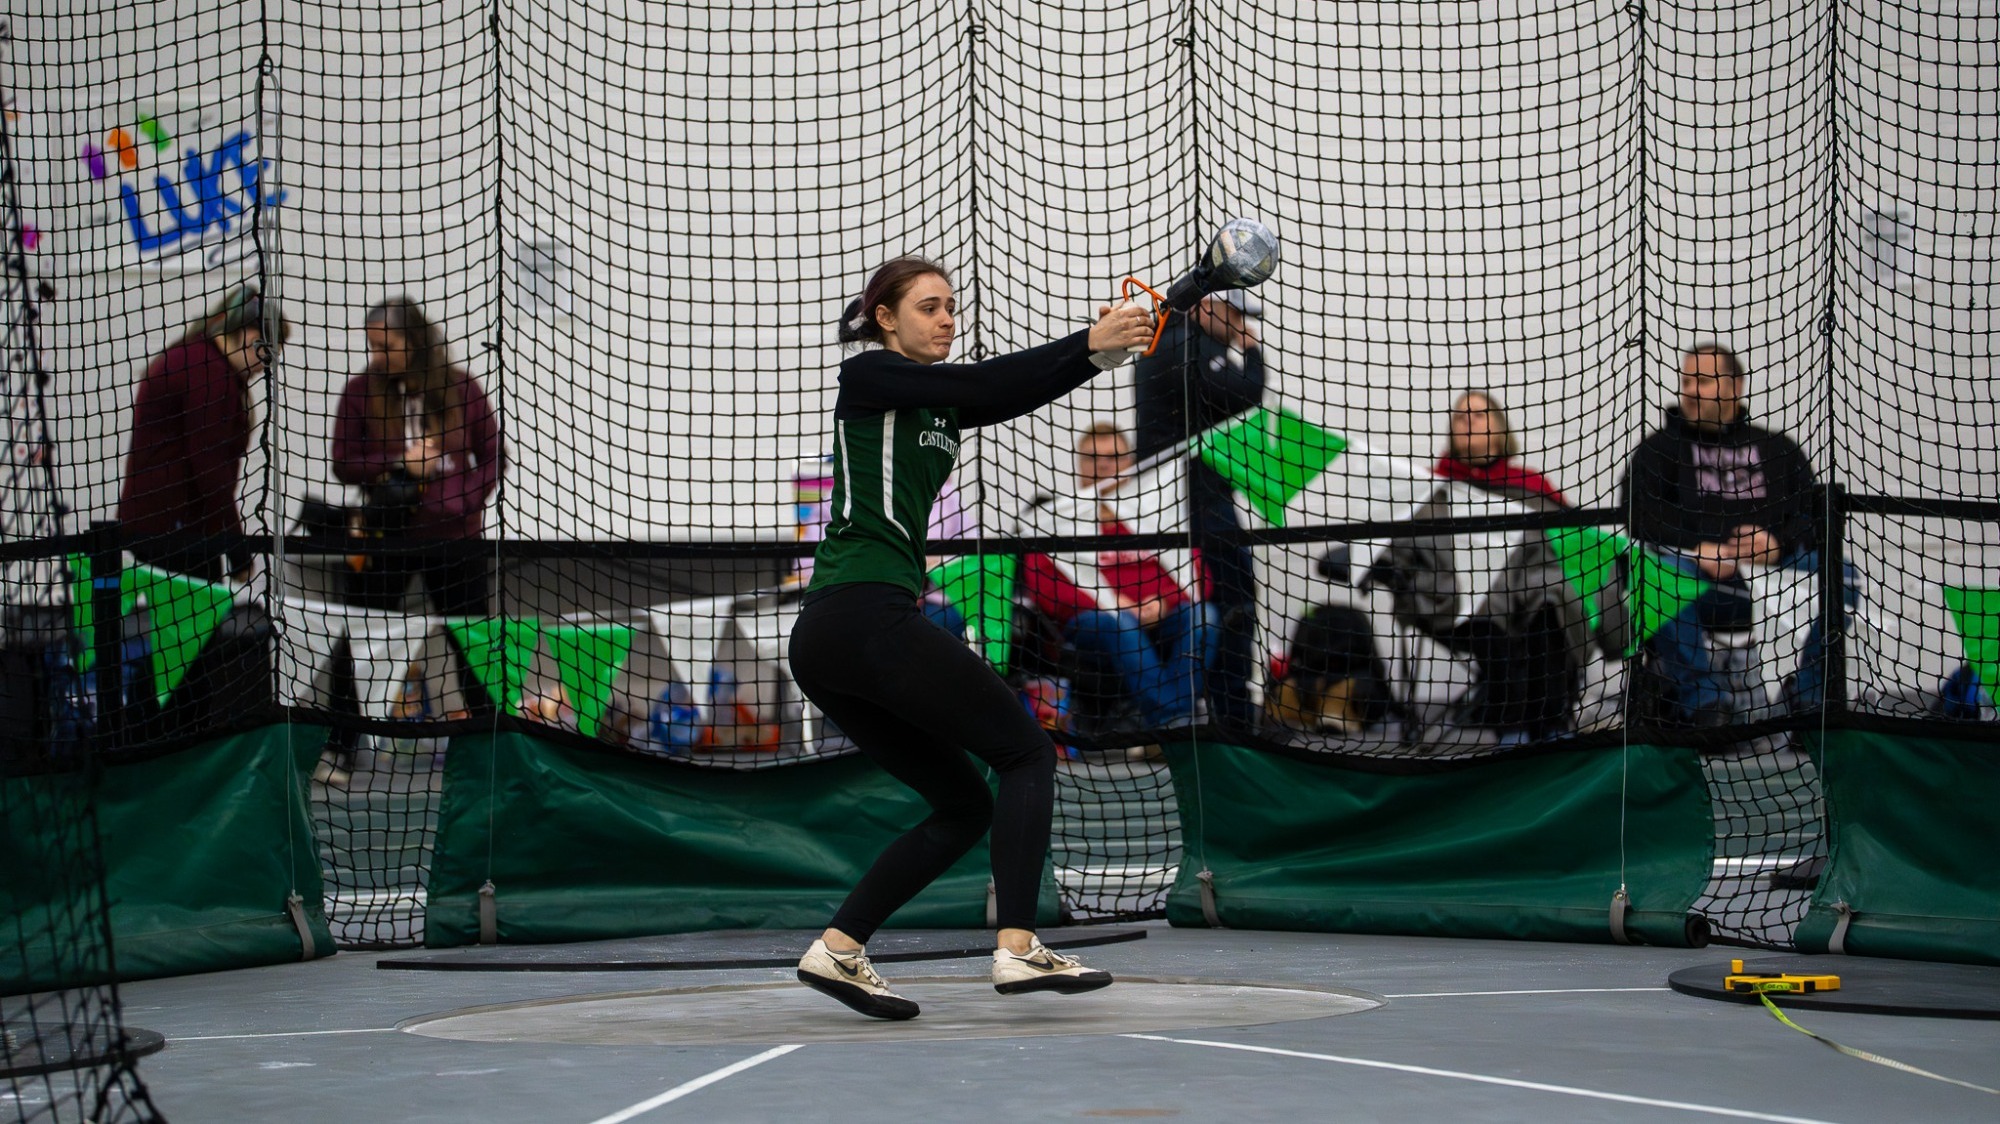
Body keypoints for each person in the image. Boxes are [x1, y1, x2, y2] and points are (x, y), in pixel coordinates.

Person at [787, 255, 1152, 1020]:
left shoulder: (938, 405)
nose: (947, 318)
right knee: (1025, 751)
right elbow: (987, 386)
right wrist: (1090, 339)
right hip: (860, 614)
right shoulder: (871, 377)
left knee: (961, 804)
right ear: (885, 318)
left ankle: (840, 948)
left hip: (840, 636)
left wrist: (1096, 353)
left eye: (951, 307)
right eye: (928, 307)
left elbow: (1011, 391)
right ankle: (1018, 947)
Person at [324, 298, 504, 780]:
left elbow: (492, 457)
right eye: (373, 346)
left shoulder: (461, 389)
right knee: (359, 638)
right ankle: (340, 746)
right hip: (386, 535)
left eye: (388, 346)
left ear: (416, 342)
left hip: (454, 538)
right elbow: (344, 461)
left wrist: (463, 499)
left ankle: (495, 747)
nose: (377, 354)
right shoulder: (362, 392)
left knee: (472, 641)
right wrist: (399, 465)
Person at [1619, 343, 1820, 726]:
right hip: (1698, 583)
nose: (1692, 390)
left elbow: (1810, 515)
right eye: (1687, 380)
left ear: (1735, 385)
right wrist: (1697, 549)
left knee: (1840, 575)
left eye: (1705, 381)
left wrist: (1777, 545)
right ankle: (1703, 702)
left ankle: (1807, 698)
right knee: (1652, 572)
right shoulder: (1659, 450)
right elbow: (1641, 516)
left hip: (1774, 579)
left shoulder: (1778, 449)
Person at [1021, 422, 1218, 728]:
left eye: (1113, 457)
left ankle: (1171, 722)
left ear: (1129, 462)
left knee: (1203, 616)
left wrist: (1163, 602)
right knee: (1119, 622)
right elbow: (1045, 589)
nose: (1103, 465)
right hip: (1092, 623)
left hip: (1162, 617)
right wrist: (1115, 604)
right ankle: (1174, 722)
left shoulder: (1156, 512)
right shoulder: (1055, 519)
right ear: (1078, 464)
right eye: (1092, 458)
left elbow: (1198, 576)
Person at [1132, 289, 1266, 727]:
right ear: (1207, 306)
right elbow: (1243, 393)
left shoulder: (1177, 340)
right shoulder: (1182, 344)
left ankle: (1219, 713)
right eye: (1234, 316)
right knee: (1231, 601)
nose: (1240, 328)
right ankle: (1231, 718)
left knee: (1216, 604)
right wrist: (1251, 354)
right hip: (1190, 506)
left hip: (1190, 501)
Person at [117, 285, 290, 580]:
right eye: (268, 353)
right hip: (174, 530)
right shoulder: (208, 373)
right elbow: (210, 471)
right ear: (250, 337)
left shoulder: (197, 357)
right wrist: (237, 551)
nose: (266, 367)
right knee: (196, 619)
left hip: (162, 523)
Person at [1433, 390, 1566, 506]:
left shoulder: (1532, 483)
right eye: (1460, 417)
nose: (1468, 420)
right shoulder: (1433, 481)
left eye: (1479, 414)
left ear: (1500, 426)